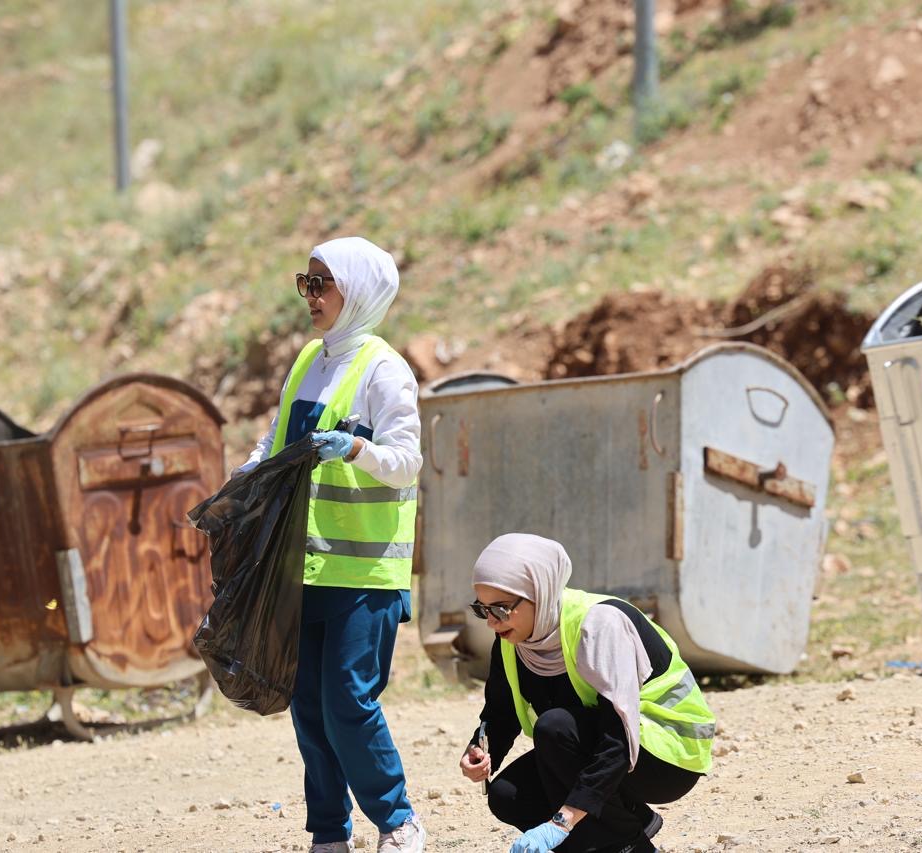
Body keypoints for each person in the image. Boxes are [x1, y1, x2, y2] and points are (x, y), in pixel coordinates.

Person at [235, 237, 425, 853]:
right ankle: (328, 834)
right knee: (309, 705)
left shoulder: (384, 370)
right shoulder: (308, 361)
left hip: (364, 573)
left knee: (348, 700)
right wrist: (245, 476)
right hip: (303, 564)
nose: (311, 297)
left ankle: (398, 822)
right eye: (306, 283)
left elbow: (407, 463)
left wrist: (359, 449)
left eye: (323, 284)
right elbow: (275, 436)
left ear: (359, 291)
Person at [458, 534, 714, 853]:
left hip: (665, 755)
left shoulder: (600, 624)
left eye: (501, 609)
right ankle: (627, 822)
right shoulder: (514, 640)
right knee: (508, 795)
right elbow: (501, 713)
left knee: (555, 728)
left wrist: (562, 821)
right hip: (608, 746)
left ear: (541, 592)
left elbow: (617, 738)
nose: (491, 622)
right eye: (483, 609)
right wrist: (482, 751)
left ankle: (628, 845)